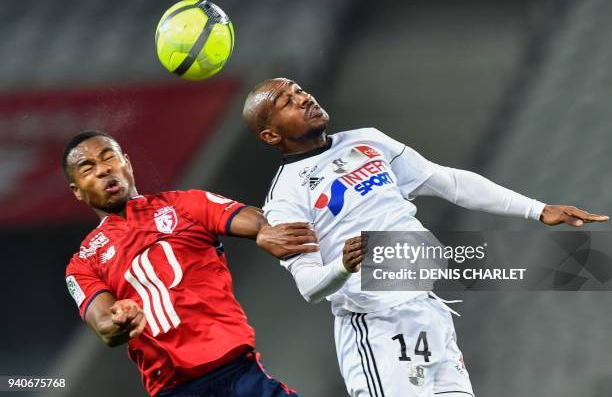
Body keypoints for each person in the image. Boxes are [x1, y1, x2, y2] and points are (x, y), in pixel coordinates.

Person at [242, 78, 609, 397]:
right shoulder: (286, 196)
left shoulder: (366, 141)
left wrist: (537, 209)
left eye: (300, 90)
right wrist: (341, 265)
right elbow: (308, 286)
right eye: (286, 101)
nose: (304, 98)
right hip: (377, 326)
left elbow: (447, 181)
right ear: (271, 134)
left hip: (427, 308)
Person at [63, 130, 318, 397]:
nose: (103, 169)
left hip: (241, 373)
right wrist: (120, 320)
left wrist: (265, 229)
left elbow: (259, 221)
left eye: (108, 158)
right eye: (88, 168)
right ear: (77, 190)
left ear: (126, 162)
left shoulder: (186, 204)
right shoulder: (83, 262)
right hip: (174, 388)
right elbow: (104, 325)